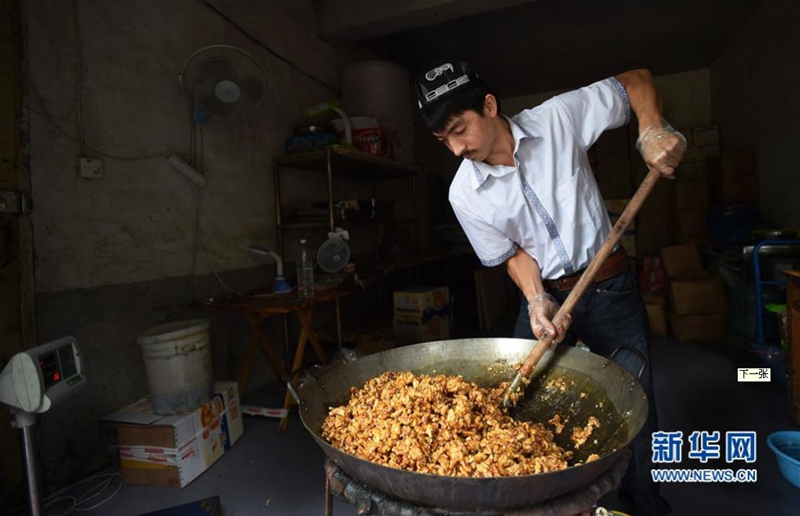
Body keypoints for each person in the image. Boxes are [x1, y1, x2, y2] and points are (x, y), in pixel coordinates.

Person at [415, 60, 685, 515]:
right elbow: (512, 255)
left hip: (610, 286)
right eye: (445, 141)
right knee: (516, 401)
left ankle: (645, 503)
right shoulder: (464, 194)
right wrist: (536, 297)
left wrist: (652, 130)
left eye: (460, 130)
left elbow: (637, 82)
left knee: (636, 405)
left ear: (489, 105)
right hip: (546, 296)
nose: (457, 148)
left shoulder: (558, 118)